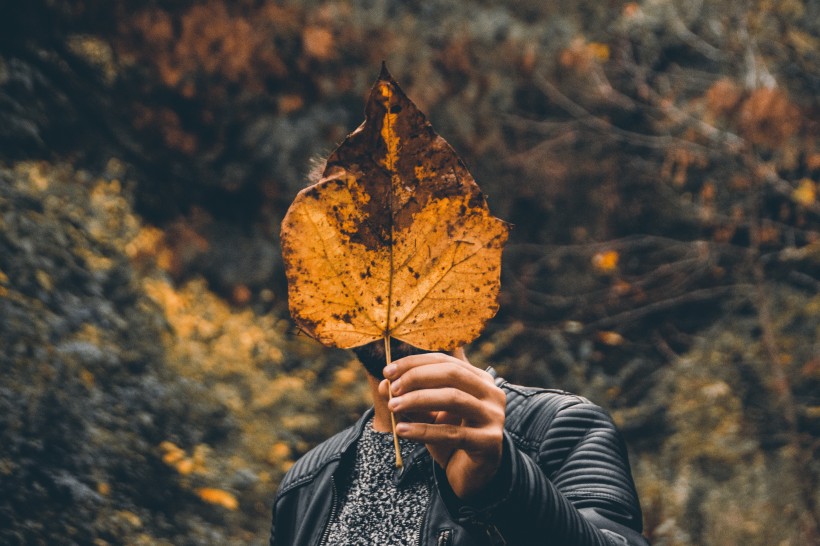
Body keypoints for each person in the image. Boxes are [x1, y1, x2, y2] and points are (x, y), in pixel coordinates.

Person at [269, 339, 650, 545]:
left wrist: (504, 485)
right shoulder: (305, 485)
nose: (390, 288)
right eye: (365, 262)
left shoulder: (560, 428)